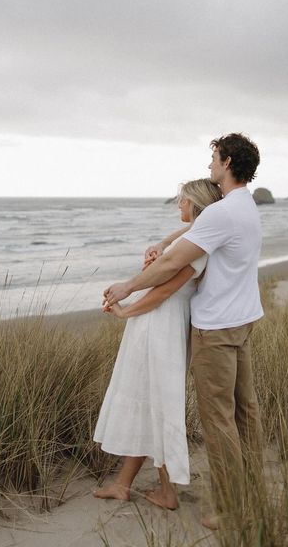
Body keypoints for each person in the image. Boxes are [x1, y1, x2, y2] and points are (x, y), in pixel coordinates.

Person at [103, 133, 264, 529]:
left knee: (219, 420)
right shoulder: (241, 206)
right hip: (240, 322)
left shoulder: (222, 213)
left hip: (216, 330)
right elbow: (190, 234)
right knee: (246, 412)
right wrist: (165, 239)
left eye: (213, 158)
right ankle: (252, 495)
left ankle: (230, 509)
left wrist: (127, 287)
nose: (210, 165)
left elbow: (172, 265)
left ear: (227, 162)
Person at [93, 179, 222, 510]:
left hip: (160, 328)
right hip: (156, 325)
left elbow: (164, 291)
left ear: (195, 204)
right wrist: (161, 243)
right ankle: (123, 483)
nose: (179, 205)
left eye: (183, 201)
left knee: (159, 403)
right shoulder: (193, 237)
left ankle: (167, 492)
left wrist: (125, 312)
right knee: (147, 400)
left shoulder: (198, 249)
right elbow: (181, 241)